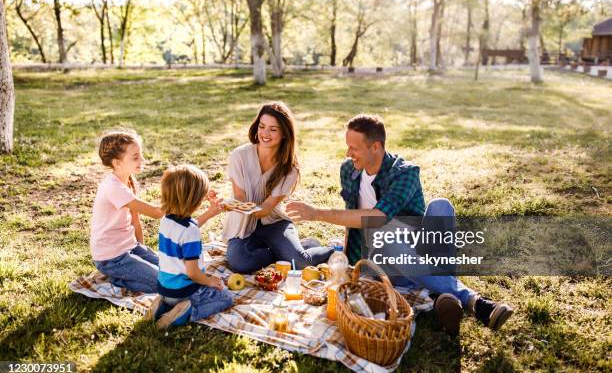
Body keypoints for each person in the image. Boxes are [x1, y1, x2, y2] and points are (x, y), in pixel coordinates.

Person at [286, 114, 513, 334]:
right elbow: (351, 217)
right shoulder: (349, 170)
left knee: (441, 207)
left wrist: (317, 213)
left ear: (376, 147)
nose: (348, 153)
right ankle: (470, 300)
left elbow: (378, 216)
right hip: (383, 260)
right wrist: (349, 263)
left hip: (417, 249)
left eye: (354, 148)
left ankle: (439, 292)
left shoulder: (405, 173)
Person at [223, 102, 333, 273]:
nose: (265, 134)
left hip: (274, 222)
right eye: (262, 126)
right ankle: (284, 252)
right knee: (239, 263)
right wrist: (228, 204)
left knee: (300, 263)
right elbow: (240, 197)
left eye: (273, 129)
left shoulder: (290, 169)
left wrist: (236, 206)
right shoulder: (239, 156)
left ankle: (333, 248)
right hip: (243, 225)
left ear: (284, 134)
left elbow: (266, 209)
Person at [150, 164, 233, 328]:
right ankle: (186, 312)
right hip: (185, 292)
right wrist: (210, 281)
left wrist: (210, 213)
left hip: (165, 289)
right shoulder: (191, 232)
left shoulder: (166, 220)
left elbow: (188, 228)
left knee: (173, 297)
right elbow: (193, 273)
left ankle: (163, 306)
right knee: (226, 298)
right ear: (194, 199)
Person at [90, 130, 164, 294]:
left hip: (130, 247)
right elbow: (157, 213)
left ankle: (128, 272)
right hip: (111, 258)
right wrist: (180, 194)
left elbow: (135, 220)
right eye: (135, 157)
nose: (142, 160)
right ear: (117, 163)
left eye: (141, 155)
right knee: (164, 284)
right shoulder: (113, 188)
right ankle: (115, 278)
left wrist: (142, 250)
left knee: (172, 272)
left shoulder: (130, 181)